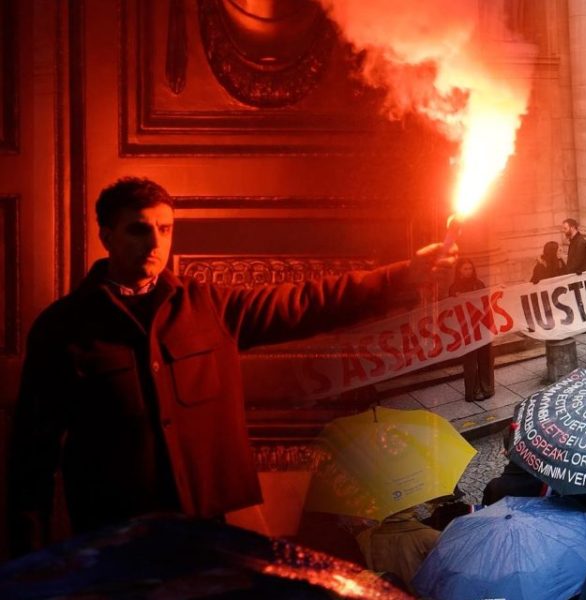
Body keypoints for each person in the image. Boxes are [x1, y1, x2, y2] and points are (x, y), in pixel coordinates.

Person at [7, 177, 455, 552]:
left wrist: (402, 275)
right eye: (139, 230)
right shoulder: (62, 328)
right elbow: (33, 450)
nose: (154, 243)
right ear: (106, 235)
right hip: (114, 533)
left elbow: (306, 303)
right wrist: (28, 558)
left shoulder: (205, 305)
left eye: (165, 229)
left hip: (203, 525)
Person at [449, 259, 495, 402]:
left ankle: (487, 388)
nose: (468, 271)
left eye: (470, 268)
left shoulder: (479, 284)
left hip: (481, 327)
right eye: (465, 269)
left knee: (485, 358)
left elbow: (486, 303)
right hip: (466, 329)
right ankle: (473, 391)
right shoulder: (454, 288)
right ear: (459, 271)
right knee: (470, 361)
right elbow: (450, 309)